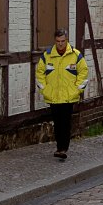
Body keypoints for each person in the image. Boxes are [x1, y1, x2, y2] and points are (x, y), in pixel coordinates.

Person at [36, 28, 89, 160]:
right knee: (57, 123)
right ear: (55, 41)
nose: (60, 44)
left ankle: (63, 148)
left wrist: (77, 89)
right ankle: (60, 147)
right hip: (53, 96)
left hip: (68, 97)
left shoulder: (76, 55)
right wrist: (45, 89)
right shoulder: (47, 55)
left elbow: (83, 73)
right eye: (58, 41)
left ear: (67, 40)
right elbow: (39, 73)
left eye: (63, 41)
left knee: (65, 123)